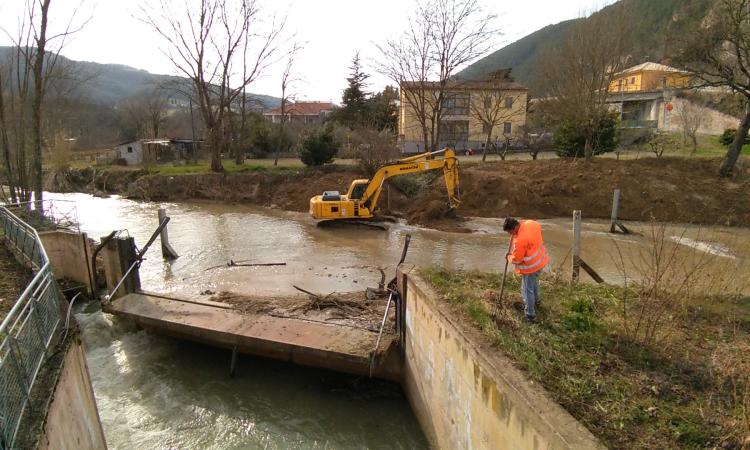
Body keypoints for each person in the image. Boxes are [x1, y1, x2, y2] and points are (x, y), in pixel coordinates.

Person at [503, 217, 549, 323]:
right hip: (541, 261)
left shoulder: (520, 241)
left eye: (510, 232)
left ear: (515, 227)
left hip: (530, 267)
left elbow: (517, 260)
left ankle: (530, 315)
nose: (510, 235)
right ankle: (537, 302)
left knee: (527, 290)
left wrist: (509, 257)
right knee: (534, 283)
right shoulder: (532, 223)